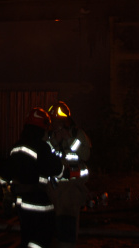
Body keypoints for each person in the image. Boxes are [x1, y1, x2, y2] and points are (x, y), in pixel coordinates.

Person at [0, 107, 64, 248]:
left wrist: (7, 195)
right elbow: (57, 170)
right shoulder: (41, 147)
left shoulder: (16, 147)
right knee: (42, 238)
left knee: (27, 236)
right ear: (43, 128)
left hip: (21, 204)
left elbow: (4, 176)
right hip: (39, 203)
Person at [47, 101, 91, 248]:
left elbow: (85, 154)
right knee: (52, 227)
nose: (56, 125)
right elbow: (43, 156)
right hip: (53, 190)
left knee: (68, 224)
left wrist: (69, 139)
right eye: (53, 122)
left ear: (67, 121)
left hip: (73, 189)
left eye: (59, 122)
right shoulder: (48, 137)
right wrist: (54, 141)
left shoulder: (77, 134)